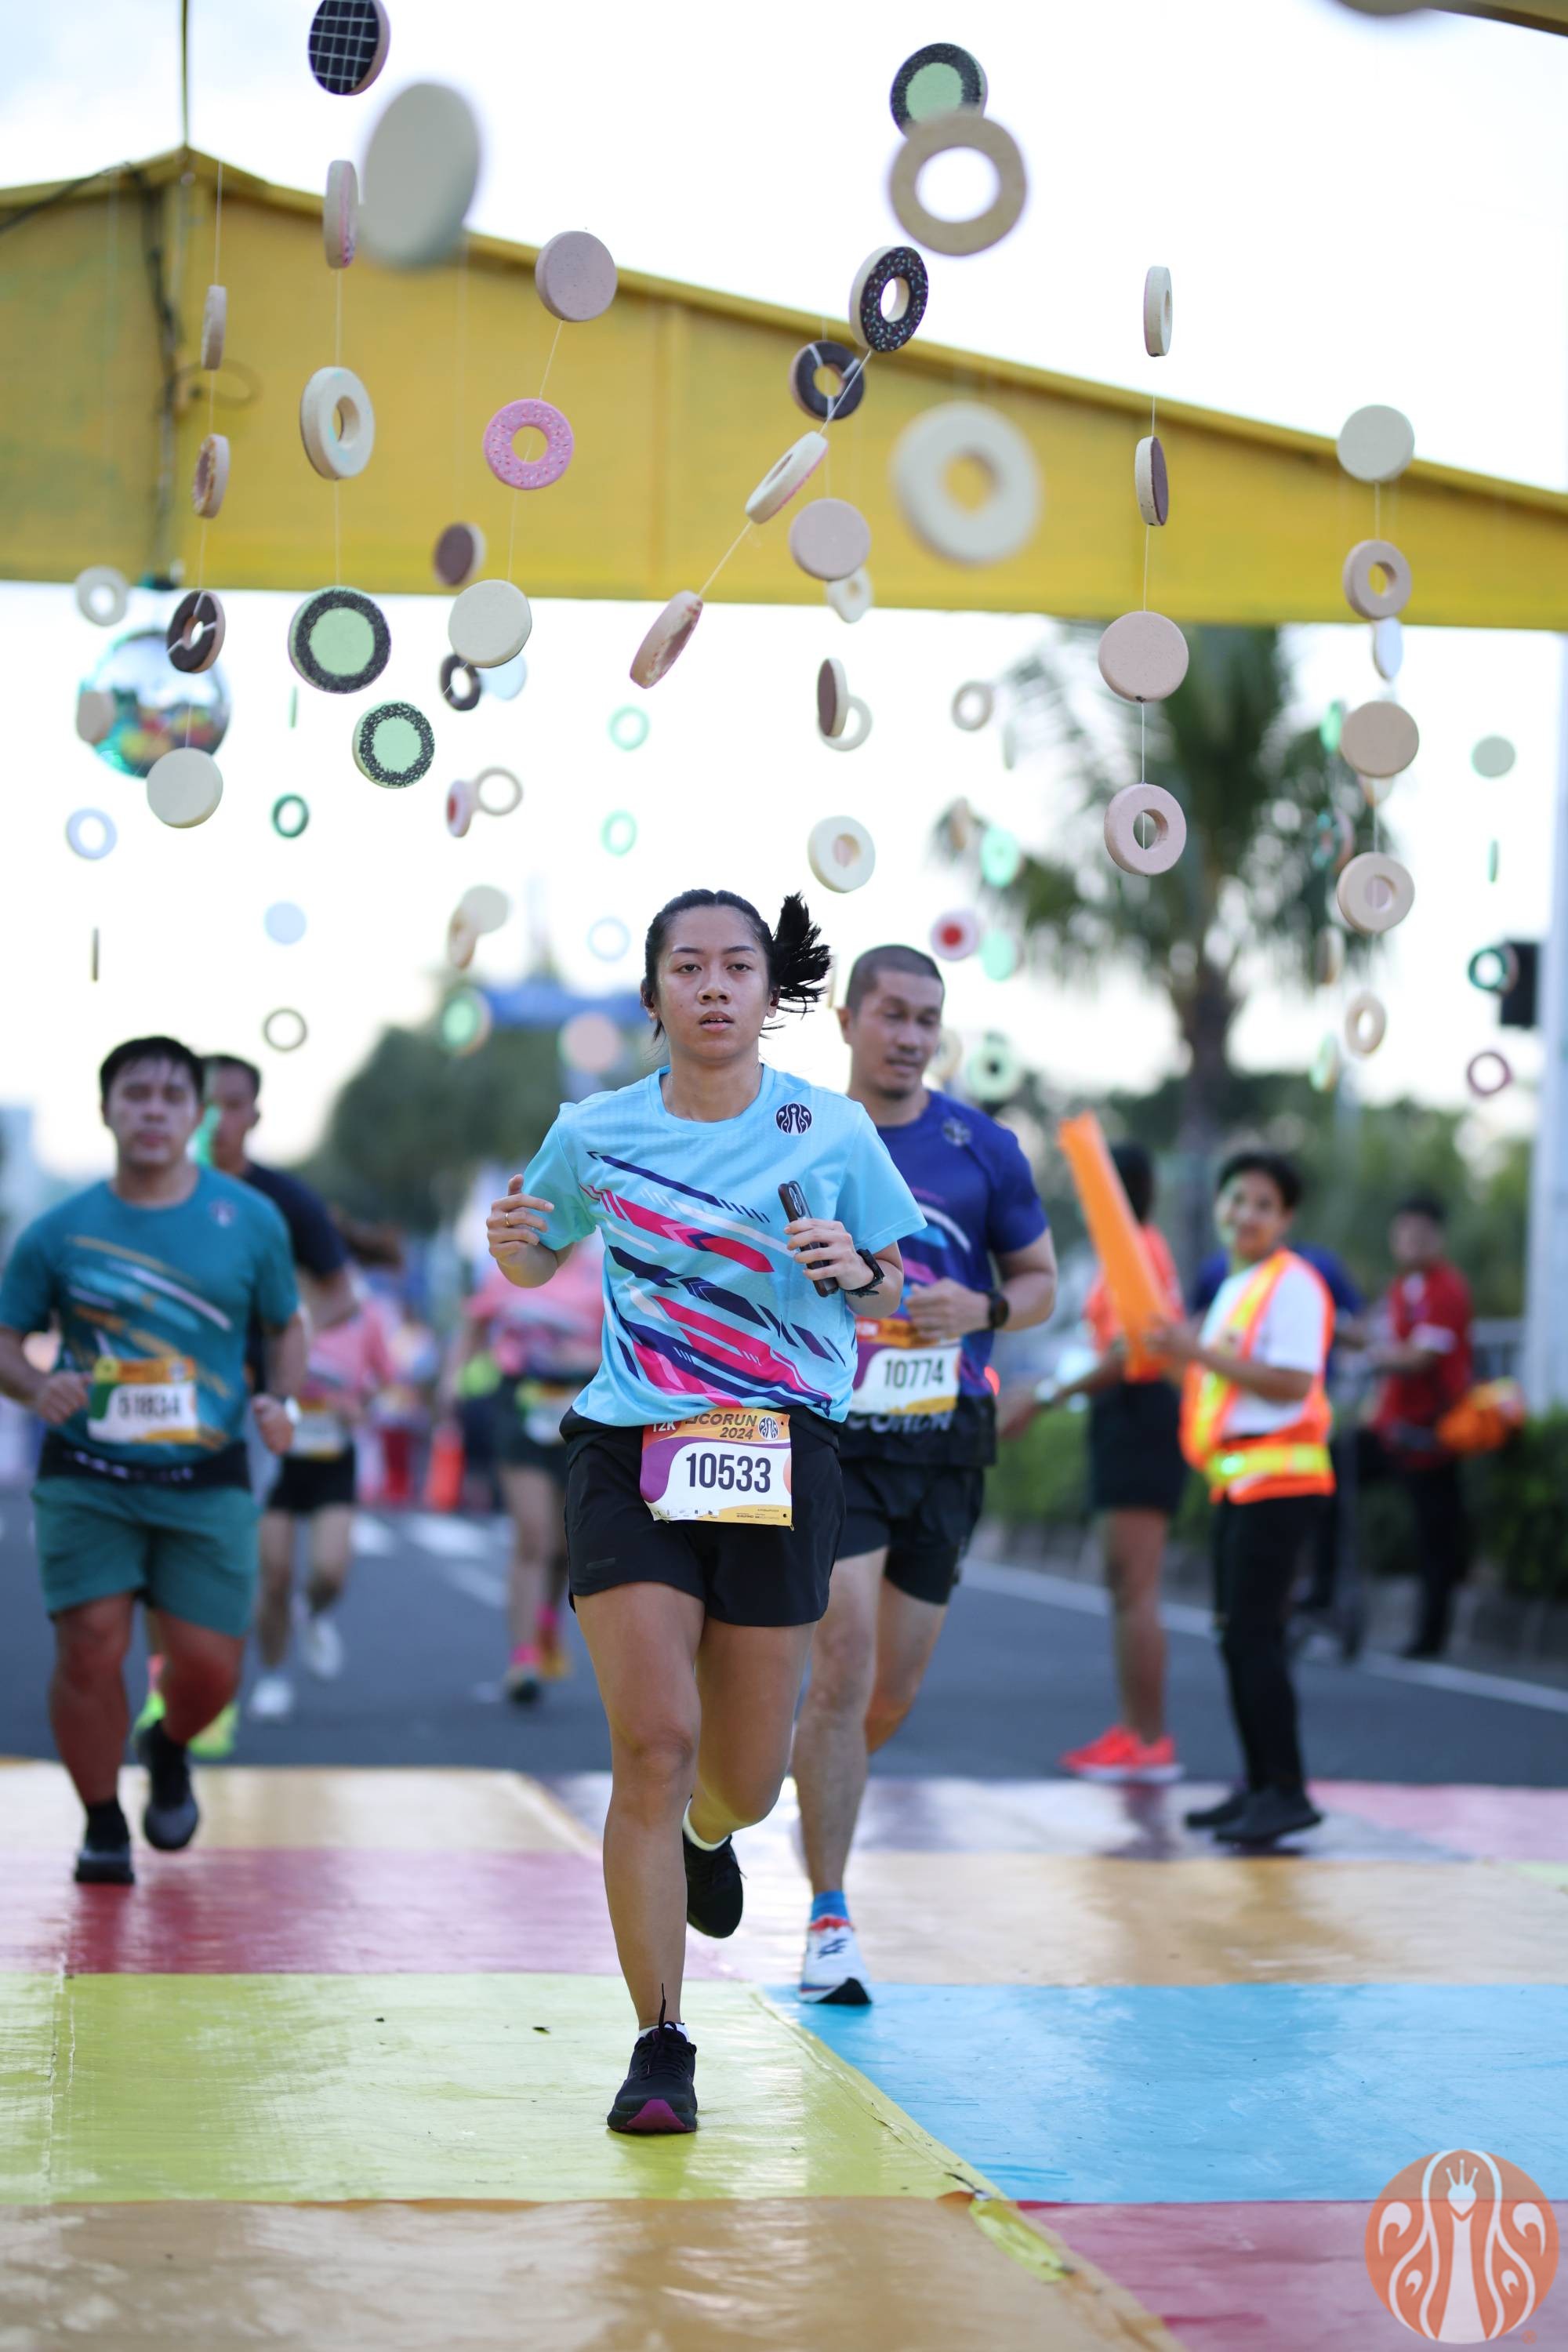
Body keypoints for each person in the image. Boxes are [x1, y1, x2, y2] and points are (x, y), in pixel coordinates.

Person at [487, 890, 919, 2134]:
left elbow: (892, 1282)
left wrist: (858, 1269)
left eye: (737, 966)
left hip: (783, 1454)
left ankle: (711, 1838)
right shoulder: (594, 1129)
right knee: (654, 1746)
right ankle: (661, 2043)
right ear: (654, 993)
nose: (714, 985)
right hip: (633, 1449)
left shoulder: (830, 1127)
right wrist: (516, 1243)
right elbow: (536, 1252)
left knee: (742, 1780)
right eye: (689, 966)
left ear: (769, 992)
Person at [789, 945, 1057, 2005]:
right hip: (833, 1433)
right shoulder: (797, 1133)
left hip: (945, 1437)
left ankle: (817, 1774)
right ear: (848, 1020)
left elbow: (1039, 1282)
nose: (908, 1036)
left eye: (926, 1019)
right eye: (891, 1014)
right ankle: (828, 1917)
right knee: (843, 1660)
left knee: (886, 1693)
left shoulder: (981, 1148)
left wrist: (980, 1307)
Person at [0, 1036, 304, 1885]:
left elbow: (284, 1325)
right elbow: (6, 1339)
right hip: (87, 1474)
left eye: (173, 1096)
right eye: (136, 1094)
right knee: (90, 1648)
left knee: (210, 1670)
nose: (153, 1111)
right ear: (106, 1110)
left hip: (205, 1476)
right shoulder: (58, 1230)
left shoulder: (249, 1219)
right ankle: (102, 1821)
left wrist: (280, 1400)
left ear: (197, 1115)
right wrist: (36, 1385)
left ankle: (166, 1745)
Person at [133, 1053, 359, 1757]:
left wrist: (289, 1336)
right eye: (200, 1103)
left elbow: (341, 1294)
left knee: (247, 1558)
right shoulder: (143, 1193)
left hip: (257, 1407)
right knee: (163, 1551)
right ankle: (167, 1691)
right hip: (165, 1398)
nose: (213, 1120)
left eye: (229, 1105)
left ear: (253, 1115)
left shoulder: (280, 1204)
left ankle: (219, 1692)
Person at [1149, 1149, 1334, 1849]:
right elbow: (1221, 1382)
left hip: (1280, 1483)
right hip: (1241, 1481)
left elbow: (1291, 1383)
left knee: (1254, 1637)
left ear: (1286, 1218)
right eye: (1237, 1199)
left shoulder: (1294, 1285)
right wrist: (1178, 1356)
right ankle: (1261, 1785)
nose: (1246, 1214)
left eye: (1263, 1204)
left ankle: (1285, 1790)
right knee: (1239, 1637)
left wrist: (1194, 1351)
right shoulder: (1238, 1286)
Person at [1003, 1139, 1185, 1788]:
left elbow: (1133, 1352)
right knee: (1124, 1586)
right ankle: (1134, 1732)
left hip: (1141, 1416)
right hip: (1124, 1418)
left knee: (1136, 1589)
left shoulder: (1141, 1251)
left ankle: (1149, 1740)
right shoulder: (1123, 1253)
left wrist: (1045, 1396)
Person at [447, 1234, 606, 1701]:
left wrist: (586, 1357)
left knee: (566, 1546)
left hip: (581, 1410)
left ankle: (547, 1622)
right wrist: (453, 1382)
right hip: (519, 1406)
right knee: (533, 1536)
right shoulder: (512, 1268)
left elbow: (627, 1342)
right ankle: (523, 1659)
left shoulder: (602, 1272)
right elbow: (475, 1325)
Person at [249, 1254, 398, 1722]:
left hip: (333, 1454)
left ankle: (312, 1612)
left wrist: (359, 1406)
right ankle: (273, 1675)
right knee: (274, 1575)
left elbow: (385, 1377)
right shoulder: (272, 1308)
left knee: (330, 1572)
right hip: (276, 1459)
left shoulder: (364, 1315)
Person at [1358, 1190, 1475, 1658]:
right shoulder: (1399, 1289)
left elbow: (1417, 1359)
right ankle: (1323, 1593)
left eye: (1422, 1233)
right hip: (1393, 1432)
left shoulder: (1447, 1290)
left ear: (1438, 1238)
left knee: (1436, 1539)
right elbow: (1381, 1343)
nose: (1411, 1241)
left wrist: (1371, 1355)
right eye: (1404, 1231)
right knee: (1331, 1473)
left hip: (1431, 1438)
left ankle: (1431, 1637)